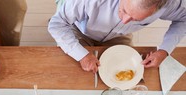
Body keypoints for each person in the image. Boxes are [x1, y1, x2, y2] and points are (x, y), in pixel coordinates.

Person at [48, 0, 186, 72]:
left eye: (136, 19)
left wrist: (164, 50)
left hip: (119, 36)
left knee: (125, 75)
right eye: (124, 10)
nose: (125, 20)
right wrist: (82, 55)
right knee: (72, 73)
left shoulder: (170, 4)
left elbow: (184, 18)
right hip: (78, 29)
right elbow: (57, 24)